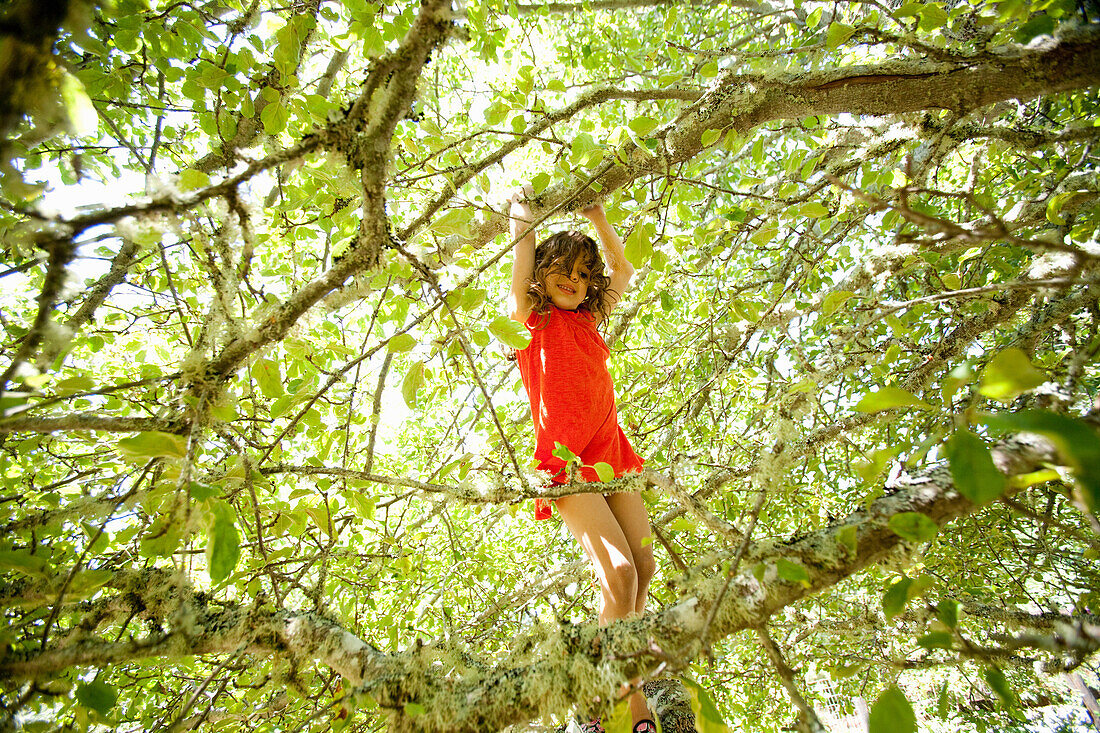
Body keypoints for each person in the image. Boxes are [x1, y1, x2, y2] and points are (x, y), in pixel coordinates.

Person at [507, 188, 657, 733]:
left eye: (581, 273)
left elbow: (625, 268)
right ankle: (603, 695)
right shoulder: (531, 322)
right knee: (617, 573)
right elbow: (521, 263)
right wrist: (521, 218)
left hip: (612, 454)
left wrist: (597, 215)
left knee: (643, 569)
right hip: (567, 464)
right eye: (560, 271)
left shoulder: (591, 322)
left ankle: (625, 690)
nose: (572, 280)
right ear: (542, 275)